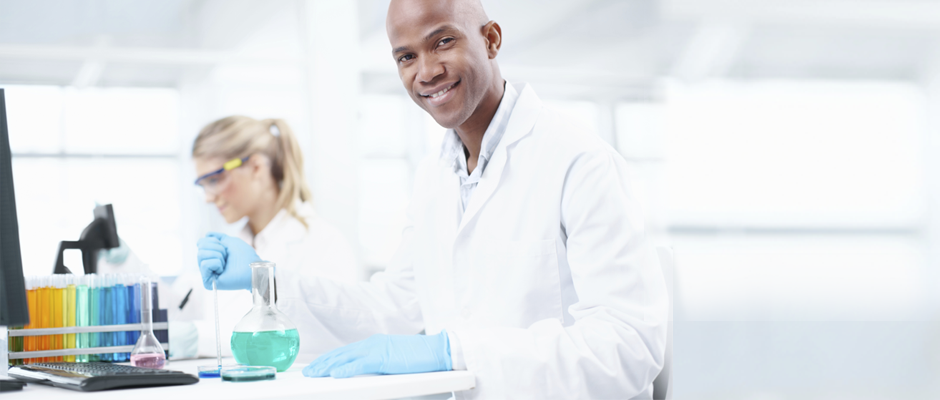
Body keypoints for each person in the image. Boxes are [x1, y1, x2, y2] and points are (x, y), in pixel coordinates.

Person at [196, 0, 667, 398]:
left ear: (491, 40)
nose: (426, 71)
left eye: (443, 42)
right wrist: (272, 281)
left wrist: (451, 352)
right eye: (405, 57)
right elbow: (394, 308)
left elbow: (629, 346)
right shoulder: (435, 177)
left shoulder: (578, 160)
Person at [173, 116, 358, 360]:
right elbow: (181, 307)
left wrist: (199, 337)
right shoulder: (234, 244)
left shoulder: (322, 242)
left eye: (215, 180)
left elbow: (320, 336)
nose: (208, 197)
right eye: (203, 184)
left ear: (257, 167)